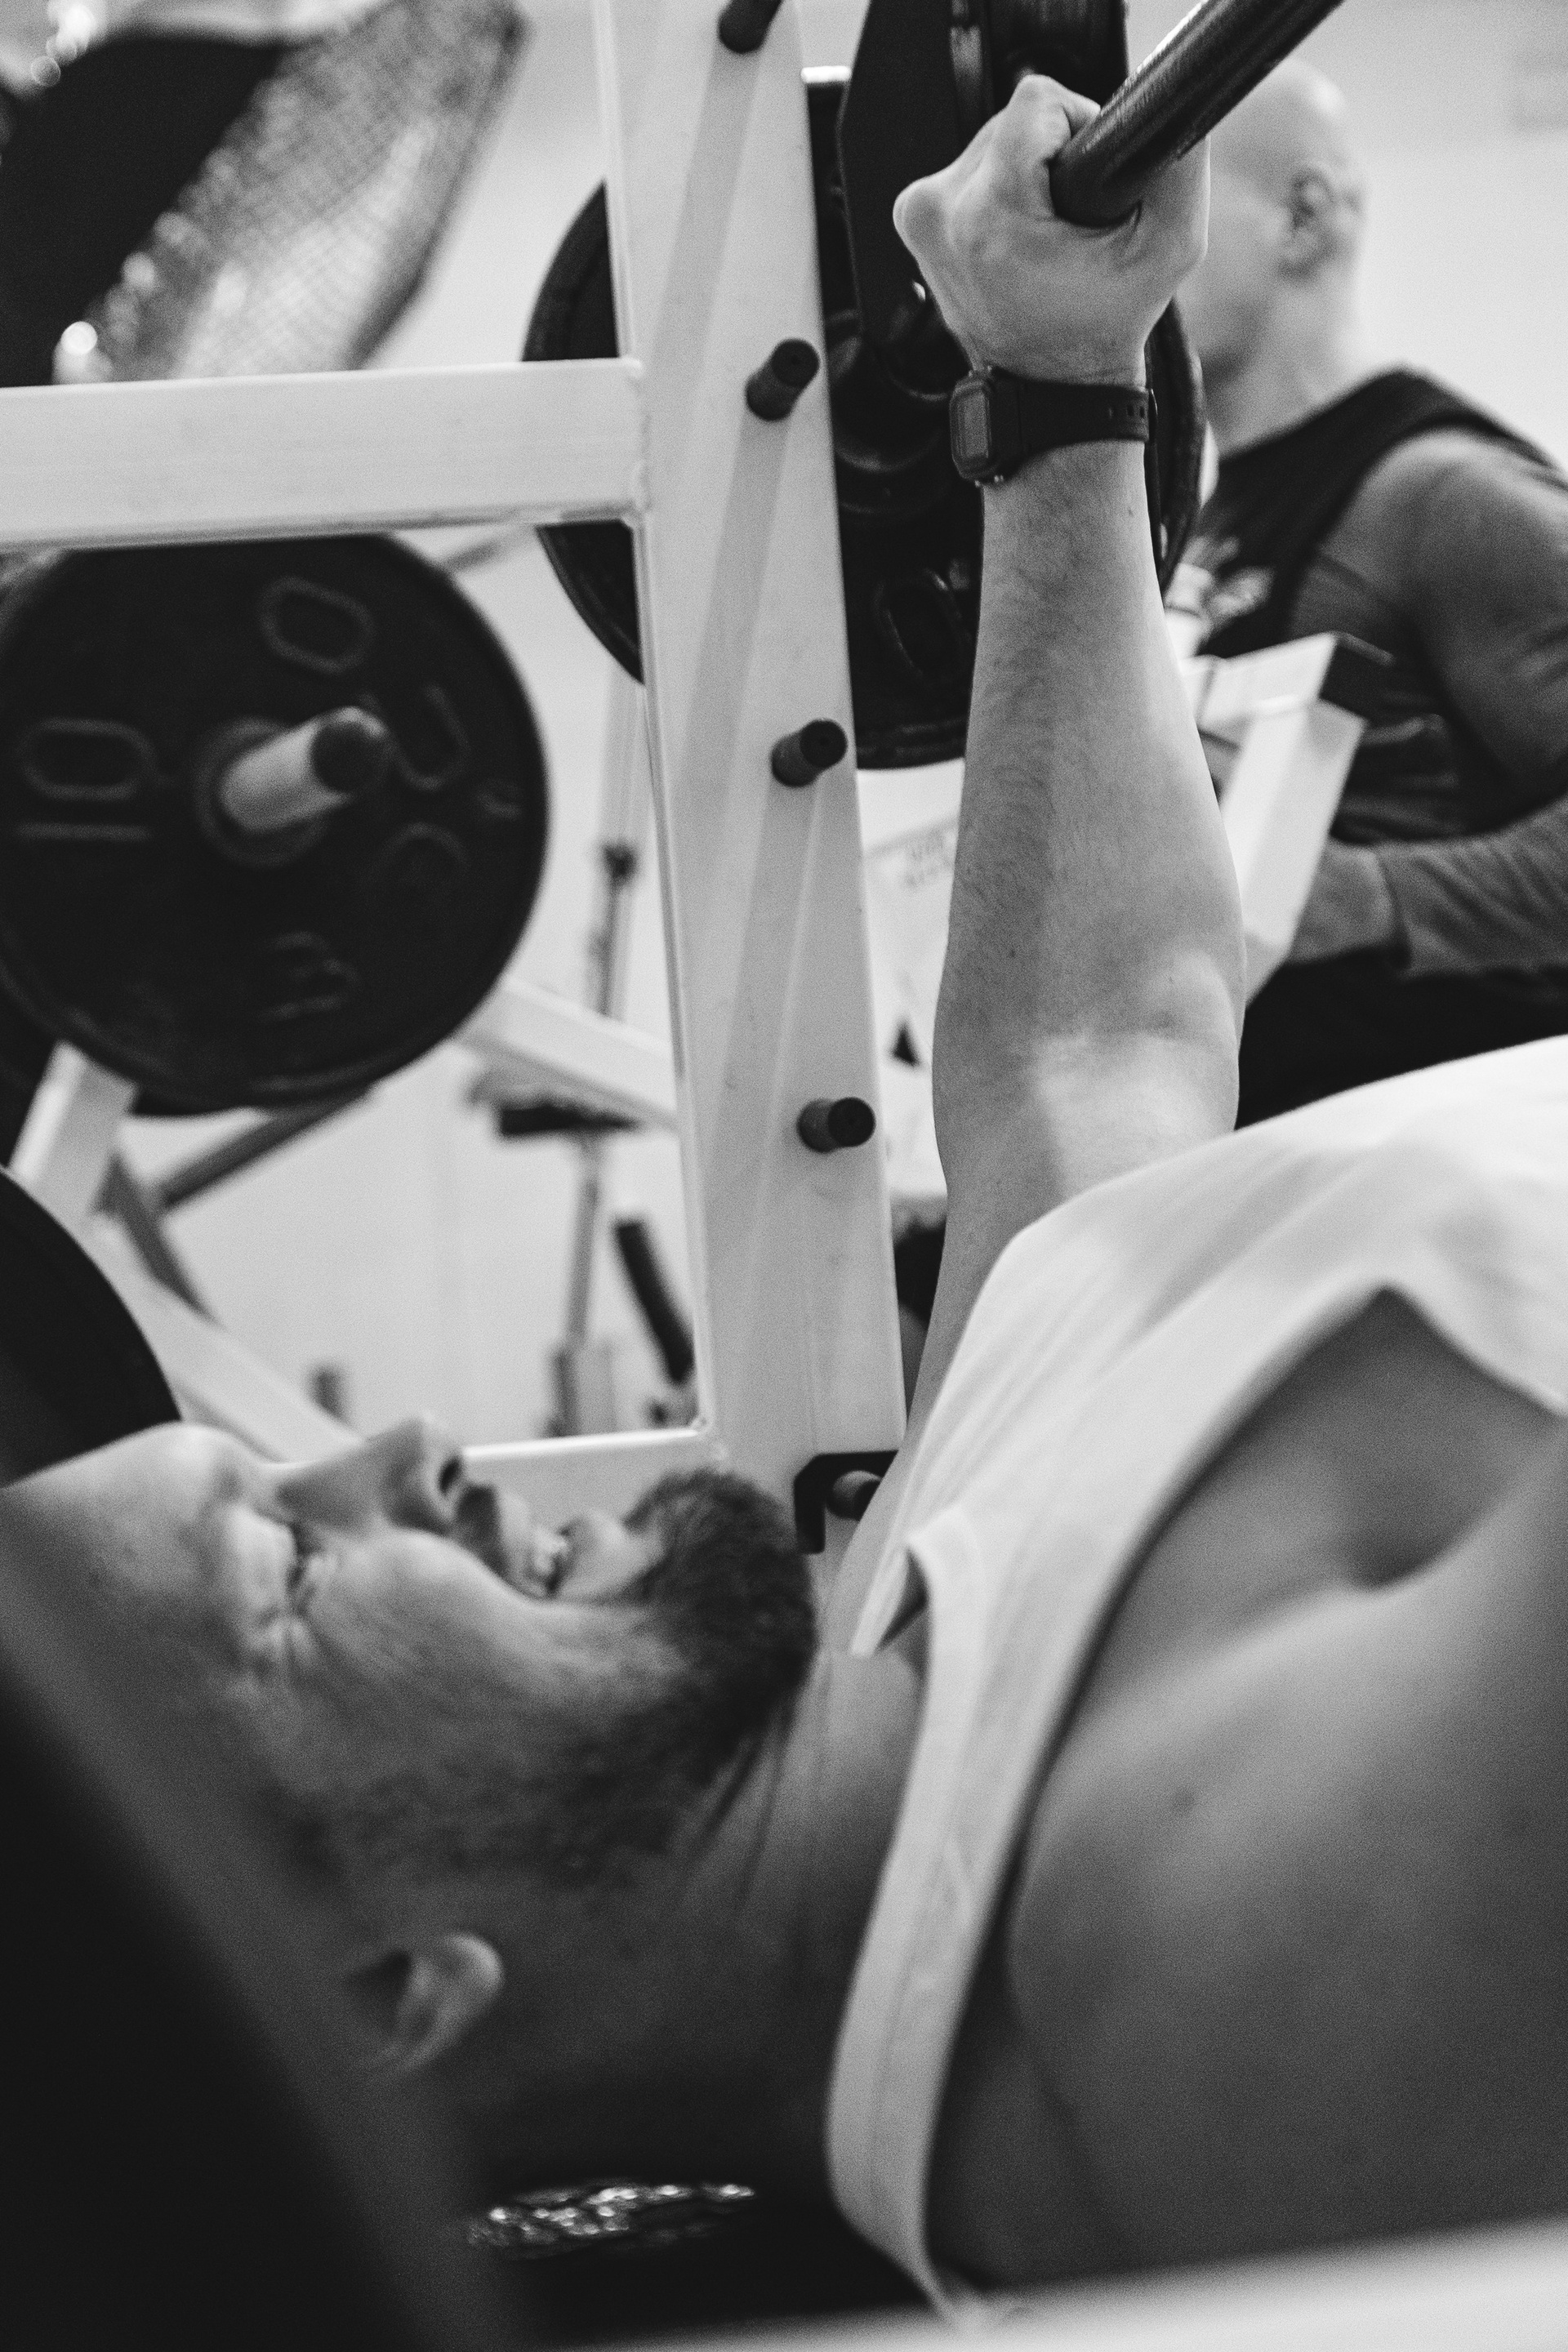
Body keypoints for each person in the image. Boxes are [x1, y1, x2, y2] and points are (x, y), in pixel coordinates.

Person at [8, 72, 1568, 2309]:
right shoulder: (1208, 1978)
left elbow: (1094, 1046)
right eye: (293, 1574)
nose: (403, 1454)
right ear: (386, 2002)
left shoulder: (940, 1686)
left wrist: (1055, 385)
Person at [1173, 60, 1568, 1126]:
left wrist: (1367, 896)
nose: (1126, 251)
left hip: (1441, 1172)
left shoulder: (1445, 497)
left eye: (1158, 203)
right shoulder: (1215, 520)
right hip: (1284, 1157)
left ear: (1302, 218)